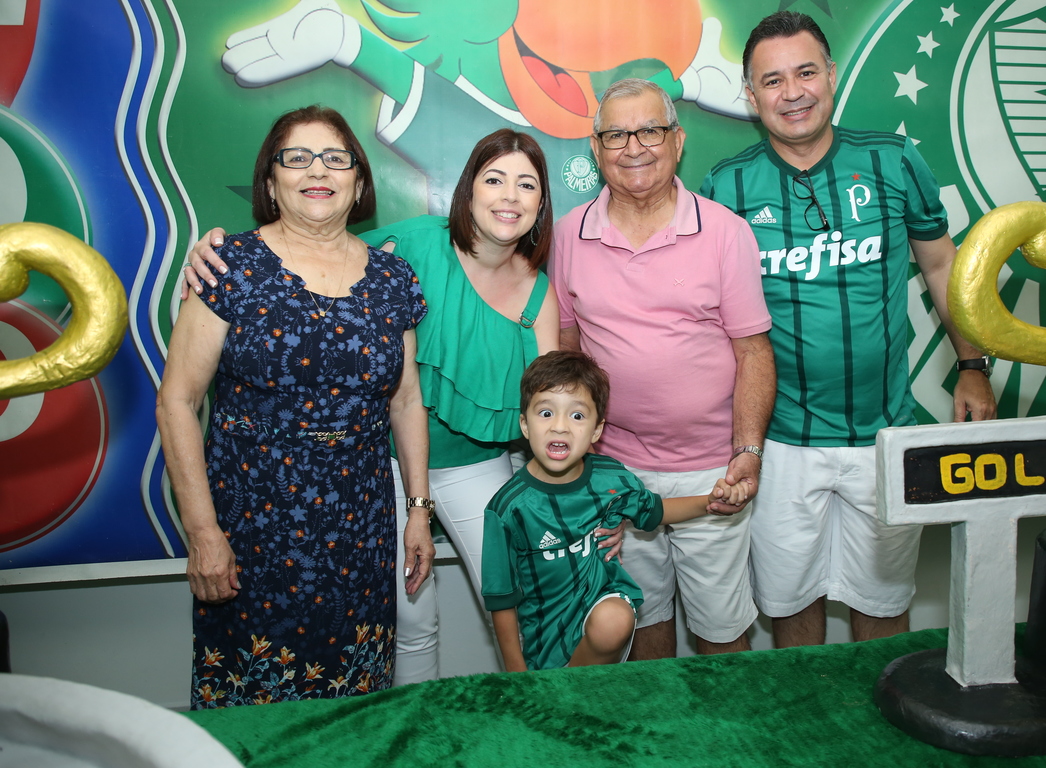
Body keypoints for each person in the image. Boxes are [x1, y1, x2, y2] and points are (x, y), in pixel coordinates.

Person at [182, 129, 619, 683]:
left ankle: (539, 709)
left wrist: (585, 505)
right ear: (468, 190)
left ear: (541, 204)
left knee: (527, 594)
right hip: (376, 465)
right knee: (408, 616)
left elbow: (557, 417)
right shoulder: (412, 242)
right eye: (494, 179)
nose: (509, 196)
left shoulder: (539, 293)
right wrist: (212, 251)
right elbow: (313, 246)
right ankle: (415, 723)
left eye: (526, 184)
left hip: (474, 466)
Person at [700, 12, 998, 648]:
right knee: (790, 604)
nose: (793, 92)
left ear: (831, 75)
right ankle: (808, 709)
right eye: (772, 81)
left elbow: (941, 266)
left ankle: (880, 708)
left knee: (882, 602)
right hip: (781, 442)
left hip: (884, 432)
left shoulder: (893, 160)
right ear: (751, 96)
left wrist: (973, 366)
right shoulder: (727, 187)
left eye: (806, 72)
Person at [158, 105, 432, 708]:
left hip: (359, 534)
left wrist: (417, 511)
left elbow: (407, 399)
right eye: (297, 157)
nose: (318, 170)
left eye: (336, 158)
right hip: (251, 531)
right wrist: (202, 532)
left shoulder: (393, 278)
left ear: (358, 182)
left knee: (353, 706)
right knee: (252, 710)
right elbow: (178, 400)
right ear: (270, 180)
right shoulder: (227, 267)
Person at [552, 78, 776, 660]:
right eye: (616, 134)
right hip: (615, 472)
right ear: (596, 149)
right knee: (639, 620)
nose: (634, 147)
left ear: (677, 140)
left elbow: (754, 353)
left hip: (712, 473)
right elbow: (567, 350)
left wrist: (747, 452)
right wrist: (581, 462)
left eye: (650, 130)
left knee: (721, 631)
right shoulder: (568, 235)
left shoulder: (725, 231)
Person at [483, 351, 749, 671]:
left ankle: (571, 687)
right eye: (546, 413)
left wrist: (711, 502)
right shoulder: (507, 508)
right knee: (555, 692)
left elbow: (655, 510)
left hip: (603, 608)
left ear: (596, 431)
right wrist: (516, 673)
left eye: (577, 415)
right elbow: (501, 596)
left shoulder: (611, 478)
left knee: (614, 621)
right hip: (545, 634)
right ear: (525, 424)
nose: (560, 427)